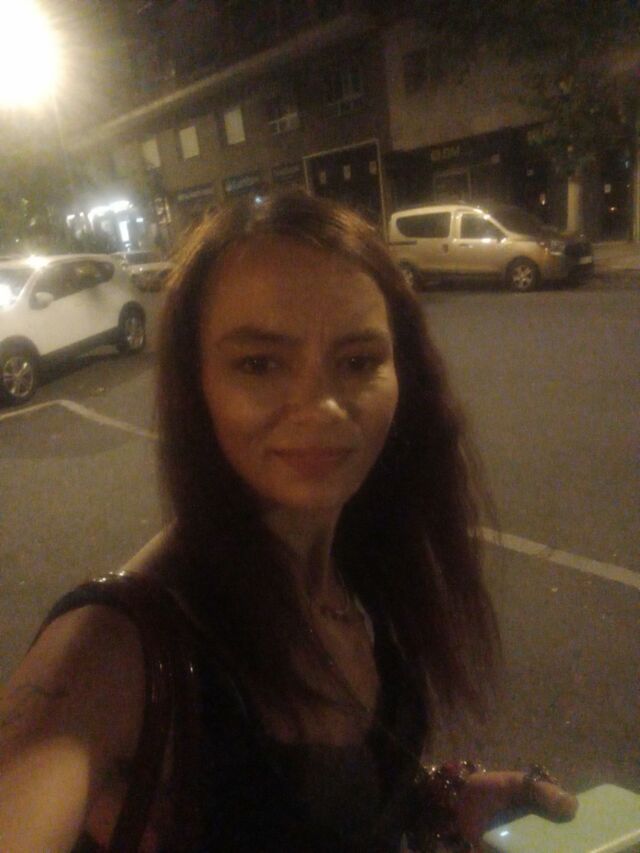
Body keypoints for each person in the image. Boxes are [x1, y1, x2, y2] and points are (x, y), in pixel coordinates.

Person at [0, 190, 577, 851]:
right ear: (196, 385)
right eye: (260, 363)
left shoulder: (359, 563)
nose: (321, 406)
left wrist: (429, 797)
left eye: (358, 361)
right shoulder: (118, 645)